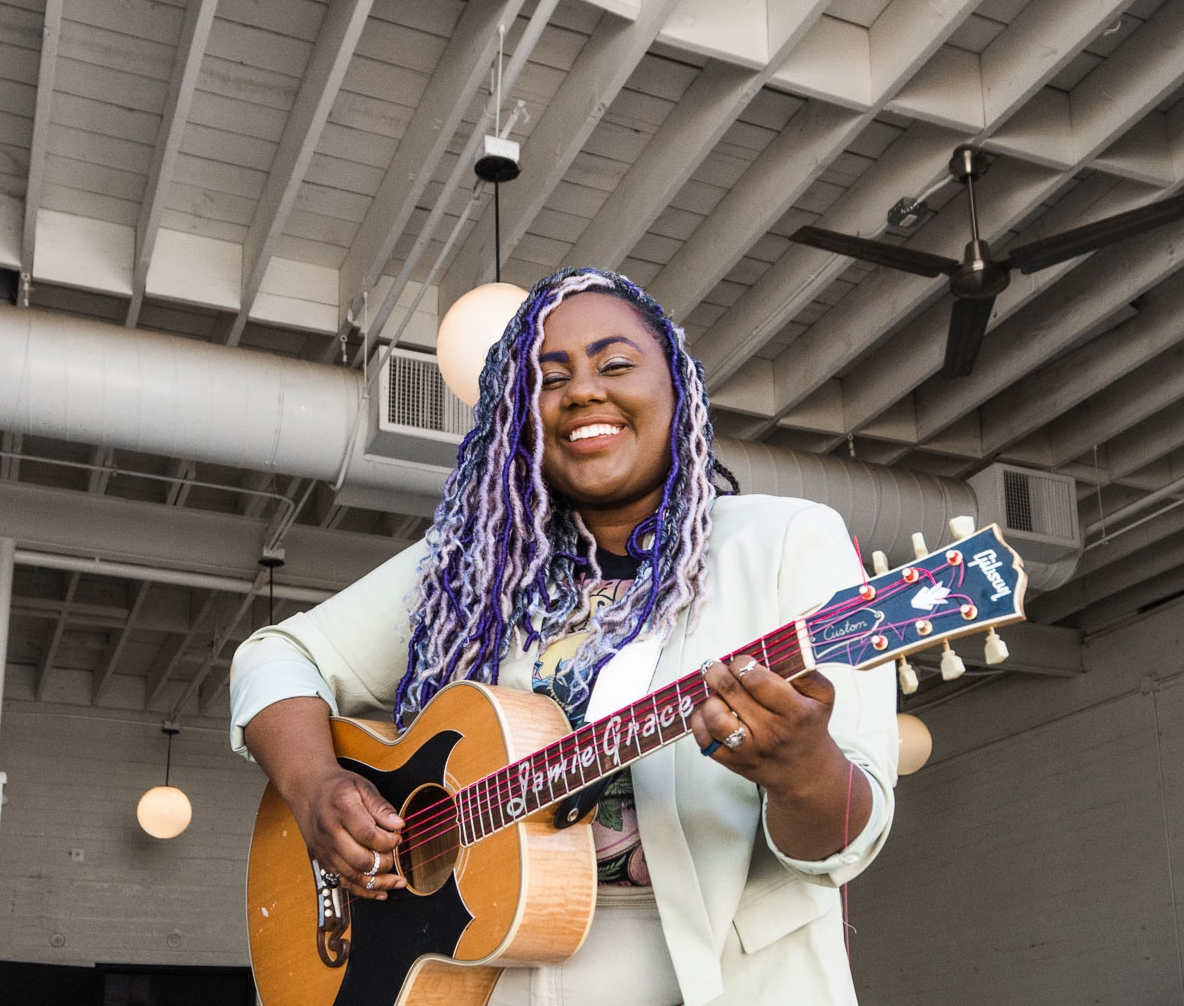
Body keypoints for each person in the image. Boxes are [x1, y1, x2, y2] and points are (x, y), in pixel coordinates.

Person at [231, 267, 897, 1006]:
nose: (582, 391)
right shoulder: (471, 566)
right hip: (489, 978)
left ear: (680, 389)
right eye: (548, 380)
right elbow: (274, 656)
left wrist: (804, 772)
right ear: (516, 419)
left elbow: (846, 842)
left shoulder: (784, 541)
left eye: (616, 364)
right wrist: (315, 786)